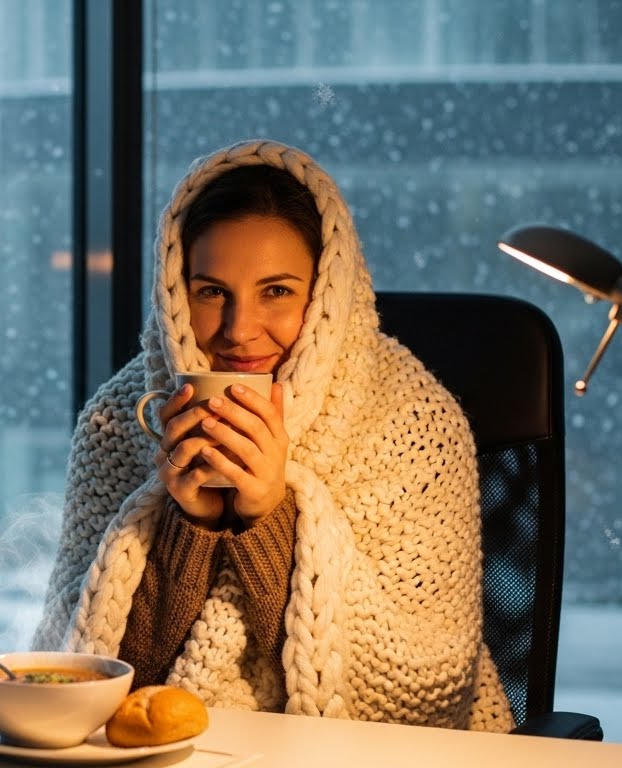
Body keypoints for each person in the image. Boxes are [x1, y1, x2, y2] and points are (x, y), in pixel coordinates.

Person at [30, 139, 514, 732]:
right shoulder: (117, 419)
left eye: (276, 292)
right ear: (176, 293)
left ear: (326, 295)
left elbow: (427, 698)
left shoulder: (416, 424)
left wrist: (270, 518)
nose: (239, 331)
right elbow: (87, 678)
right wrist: (191, 527)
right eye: (211, 292)